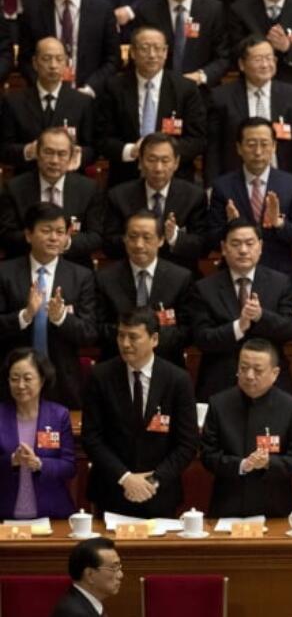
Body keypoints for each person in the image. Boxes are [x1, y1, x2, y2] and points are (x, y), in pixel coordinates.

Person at [80, 306, 198, 518]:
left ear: (154, 339)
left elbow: (187, 444)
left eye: (133, 337)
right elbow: (92, 438)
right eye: (121, 335)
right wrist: (126, 478)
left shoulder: (177, 380)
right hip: (111, 490)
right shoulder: (100, 376)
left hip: (159, 494)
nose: (125, 344)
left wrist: (153, 480)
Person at [0, 203, 96, 409]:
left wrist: (61, 318)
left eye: (60, 232)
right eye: (46, 231)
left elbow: (89, 332)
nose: (54, 238)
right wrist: (25, 315)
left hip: (63, 380)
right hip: (13, 379)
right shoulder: (4, 273)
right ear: (28, 235)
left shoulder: (81, 276)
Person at [190, 217, 292, 401]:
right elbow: (202, 339)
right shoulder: (204, 288)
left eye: (249, 243)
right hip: (220, 382)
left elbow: (289, 329)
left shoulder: (280, 282)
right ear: (224, 248)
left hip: (270, 383)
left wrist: (260, 316)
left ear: (260, 246)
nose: (243, 250)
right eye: (236, 244)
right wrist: (238, 326)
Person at [200, 338, 292, 518]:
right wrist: (242, 465)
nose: (249, 375)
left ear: (275, 373)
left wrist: (269, 463)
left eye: (257, 370)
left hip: (274, 507)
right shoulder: (219, 404)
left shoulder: (290, 407)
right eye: (243, 368)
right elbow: (208, 455)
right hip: (228, 506)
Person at [95, 25, 207, 188]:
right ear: (132, 52)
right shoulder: (114, 87)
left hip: (176, 180)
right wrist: (132, 150)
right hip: (126, 179)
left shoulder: (185, 89)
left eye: (158, 48)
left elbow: (197, 140)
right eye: (145, 48)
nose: (152, 55)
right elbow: (101, 138)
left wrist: (163, 155)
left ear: (166, 51)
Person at [206, 116, 292, 285]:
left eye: (264, 144)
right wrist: (230, 227)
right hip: (233, 277)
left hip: (279, 277)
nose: (258, 151)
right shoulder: (222, 187)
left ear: (274, 146)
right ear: (239, 148)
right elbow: (211, 240)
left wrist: (279, 223)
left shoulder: (291, 184)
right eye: (251, 144)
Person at [18, 0, 121, 97]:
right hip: (46, 98)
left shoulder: (103, 9)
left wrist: (90, 89)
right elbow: (25, 59)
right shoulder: (33, 9)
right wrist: (46, 88)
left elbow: (113, 60)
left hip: (90, 99)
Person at [205, 35, 292, 185]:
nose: (265, 64)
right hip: (235, 183)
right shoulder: (221, 97)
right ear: (242, 64)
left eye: (269, 58)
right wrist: (212, 187)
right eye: (258, 59)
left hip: (283, 182)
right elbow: (213, 150)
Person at [95, 210, 192, 365]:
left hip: (166, 363)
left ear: (161, 240)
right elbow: (98, 327)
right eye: (133, 237)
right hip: (117, 362)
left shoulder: (180, 277)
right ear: (125, 239)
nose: (139, 245)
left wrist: (148, 341)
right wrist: (132, 338)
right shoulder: (105, 278)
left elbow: (186, 330)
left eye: (147, 238)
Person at [0, 126, 104, 266]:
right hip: (25, 265)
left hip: (73, 268)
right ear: (37, 153)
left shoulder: (89, 189)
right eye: (48, 152)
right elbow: (6, 235)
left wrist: (65, 242)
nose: (54, 160)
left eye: (62, 154)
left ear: (71, 157)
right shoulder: (14, 188)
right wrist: (37, 239)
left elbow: (96, 236)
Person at [103, 134, 208, 273]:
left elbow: (202, 245)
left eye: (165, 160)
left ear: (176, 163)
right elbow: (109, 245)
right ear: (140, 162)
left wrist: (174, 238)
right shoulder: (119, 195)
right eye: (151, 160)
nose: (158, 168)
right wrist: (136, 238)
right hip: (131, 274)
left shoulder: (194, 196)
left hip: (180, 278)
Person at [132, 0, 231, 89]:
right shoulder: (147, 10)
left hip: (200, 90)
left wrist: (200, 76)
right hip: (159, 89)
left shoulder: (213, 9)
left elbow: (224, 57)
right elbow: (140, 54)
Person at [0, 38, 96, 173]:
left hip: (69, 181)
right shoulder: (13, 102)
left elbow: (92, 149)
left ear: (66, 63)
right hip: (27, 181)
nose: (53, 65)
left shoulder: (82, 102)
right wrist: (28, 151)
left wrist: (77, 154)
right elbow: (4, 149)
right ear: (35, 62)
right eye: (46, 58)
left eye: (59, 59)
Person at [0, 348, 74, 520]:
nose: (20, 385)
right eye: (14, 379)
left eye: (27, 378)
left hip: (52, 513)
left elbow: (69, 466)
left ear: (42, 380)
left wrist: (39, 464)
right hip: (5, 514)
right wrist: (12, 461)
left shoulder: (58, 415)